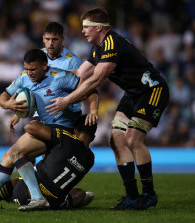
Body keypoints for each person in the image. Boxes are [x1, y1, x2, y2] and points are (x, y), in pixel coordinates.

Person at [46, 8, 170, 210]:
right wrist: (46, 78)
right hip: (133, 95)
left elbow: (96, 78)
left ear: (100, 28)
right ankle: (132, 196)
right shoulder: (97, 49)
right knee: (116, 139)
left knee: (132, 139)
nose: (83, 31)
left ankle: (149, 195)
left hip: (152, 91)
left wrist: (67, 100)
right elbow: (79, 74)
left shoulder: (112, 44)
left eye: (87, 27)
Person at [0, 49, 98, 211]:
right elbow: (2, 98)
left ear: (45, 66)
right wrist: (11, 106)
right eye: (26, 69)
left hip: (63, 131)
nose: (29, 73)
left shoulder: (61, 77)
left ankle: (36, 198)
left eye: (33, 69)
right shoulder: (23, 78)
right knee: (10, 156)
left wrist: (93, 111)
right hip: (47, 127)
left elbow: (90, 90)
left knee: (17, 154)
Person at [0, 114, 97, 210]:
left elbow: (30, 127)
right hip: (54, 203)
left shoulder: (66, 138)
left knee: (16, 159)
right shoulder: (91, 159)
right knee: (80, 193)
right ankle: (64, 204)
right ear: (93, 137)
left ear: (75, 130)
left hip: (26, 193)